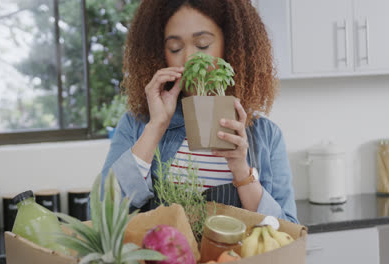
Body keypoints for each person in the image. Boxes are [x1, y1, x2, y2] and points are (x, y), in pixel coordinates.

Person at [100, 0, 298, 223]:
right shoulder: (136, 126)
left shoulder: (266, 136)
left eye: (202, 45)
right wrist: (156, 127)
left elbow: (288, 232)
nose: (189, 58)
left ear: (231, 44)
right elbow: (100, 216)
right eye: (175, 48)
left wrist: (242, 173)